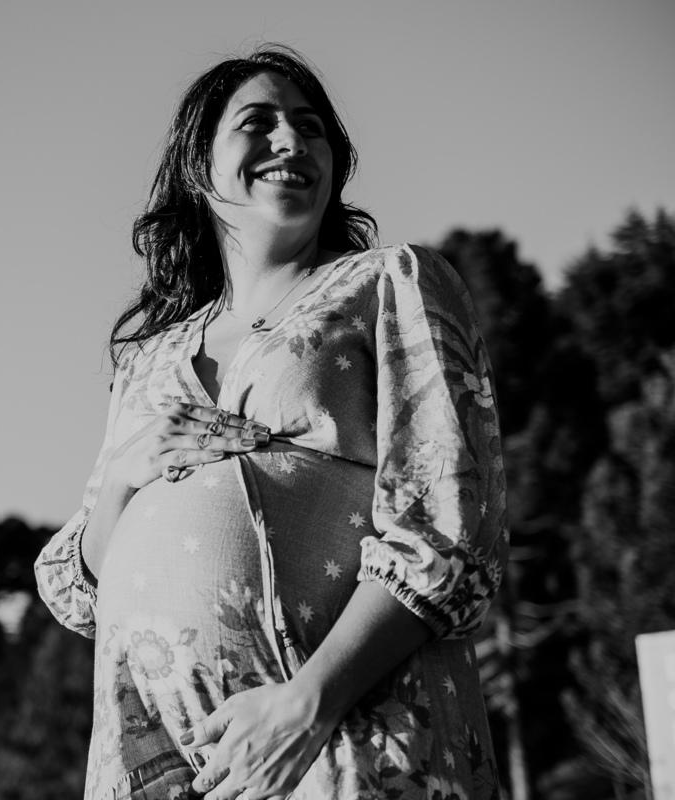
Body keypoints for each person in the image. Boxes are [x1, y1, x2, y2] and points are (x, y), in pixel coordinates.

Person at [35, 44, 507, 800]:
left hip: (349, 729)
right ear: (198, 164)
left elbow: (448, 521)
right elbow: (81, 593)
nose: (290, 141)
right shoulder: (148, 360)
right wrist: (122, 477)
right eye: (258, 123)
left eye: (311, 127)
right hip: (165, 759)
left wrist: (307, 704)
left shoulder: (389, 282)